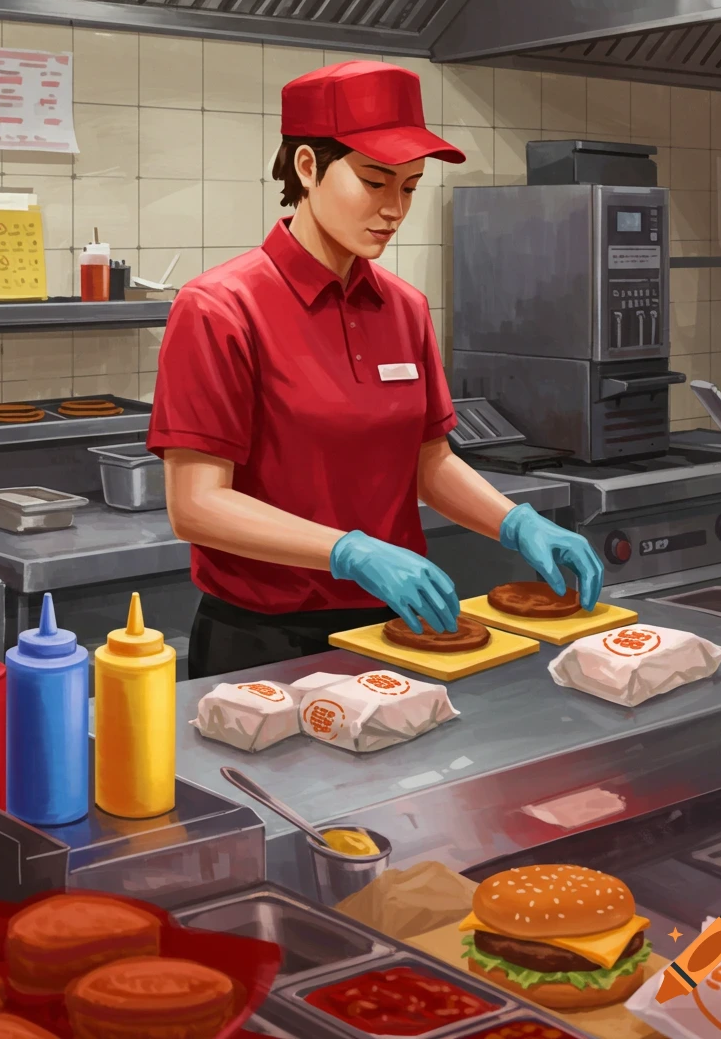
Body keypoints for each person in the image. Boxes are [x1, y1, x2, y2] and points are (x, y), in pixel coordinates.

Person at [148, 60, 604, 678]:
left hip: (394, 627)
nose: (394, 209)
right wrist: (347, 551)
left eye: (410, 187)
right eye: (374, 181)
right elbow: (196, 505)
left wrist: (517, 522)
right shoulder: (220, 308)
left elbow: (428, 462)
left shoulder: (404, 308)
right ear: (306, 167)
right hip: (263, 641)